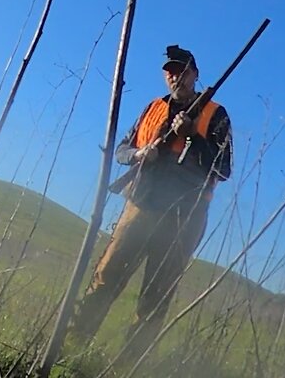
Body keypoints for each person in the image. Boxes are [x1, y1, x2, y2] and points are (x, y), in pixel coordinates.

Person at [69, 45, 233, 361]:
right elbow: (121, 151)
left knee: (154, 300)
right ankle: (73, 347)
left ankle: (126, 367)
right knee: (106, 278)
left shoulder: (215, 114)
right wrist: (139, 155)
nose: (177, 76)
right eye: (171, 70)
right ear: (165, 75)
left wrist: (192, 138)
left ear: (195, 75)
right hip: (140, 206)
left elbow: (223, 169)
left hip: (183, 218)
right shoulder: (151, 109)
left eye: (184, 70)